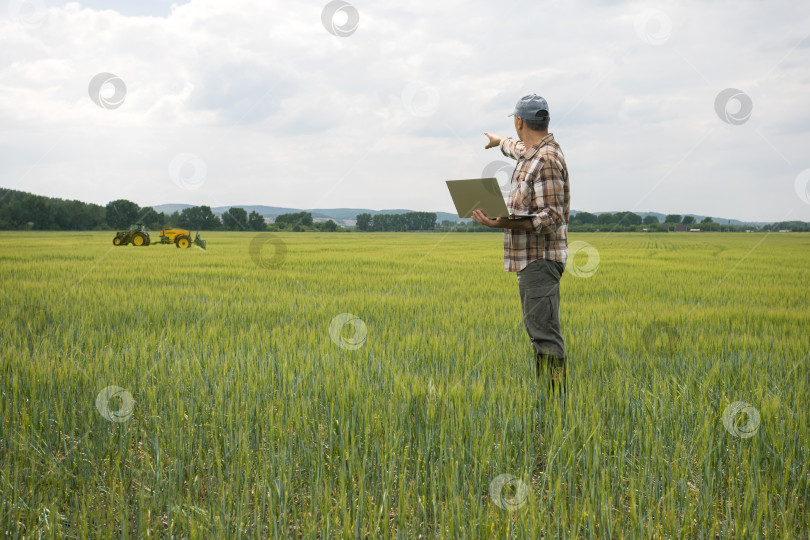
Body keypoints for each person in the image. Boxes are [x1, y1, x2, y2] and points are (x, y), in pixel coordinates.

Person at [472, 94, 570, 397]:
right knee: (538, 331)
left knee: (544, 335)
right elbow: (519, 149)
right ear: (546, 121)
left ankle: (555, 404)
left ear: (519, 121)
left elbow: (551, 218)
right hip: (531, 261)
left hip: (540, 260)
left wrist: (499, 222)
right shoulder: (535, 152)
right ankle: (549, 399)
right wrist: (499, 141)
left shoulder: (547, 160)